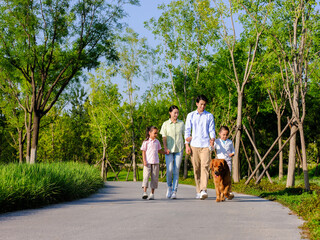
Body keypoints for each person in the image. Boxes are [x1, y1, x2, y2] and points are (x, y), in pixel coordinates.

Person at [185, 95, 215, 200]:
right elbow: (187, 130)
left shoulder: (209, 116)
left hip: (206, 145)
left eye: (204, 105)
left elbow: (212, 129)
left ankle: (203, 190)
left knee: (205, 167)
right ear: (197, 103)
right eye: (201, 104)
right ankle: (198, 190)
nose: (203, 106)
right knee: (196, 169)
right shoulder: (191, 115)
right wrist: (187, 145)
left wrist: (212, 139)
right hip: (194, 145)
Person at [160, 105, 185, 199]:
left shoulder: (181, 123)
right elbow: (164, 137)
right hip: (169, 150)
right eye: (174, 112)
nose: (176, 114)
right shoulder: (165, 124)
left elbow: (185, 134)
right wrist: (165, 148)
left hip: (179, 149)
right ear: (170, 113)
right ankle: (169, 187)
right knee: (169, 169)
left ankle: (174, 191)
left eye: (177, 113)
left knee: (176, 170)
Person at [141, 126, 166, 200]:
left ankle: (152, 194)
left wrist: (165, 152)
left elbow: (159, 150)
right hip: (147, 163)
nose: (156, 135)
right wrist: (144, 161)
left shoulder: (157, 141)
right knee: (145, 177)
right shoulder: (146, 142)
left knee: (154, 178)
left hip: (155, 162)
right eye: (154, 133)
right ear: (150, 133)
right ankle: (145, 192)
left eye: (157, 133)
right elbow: (143, 152)